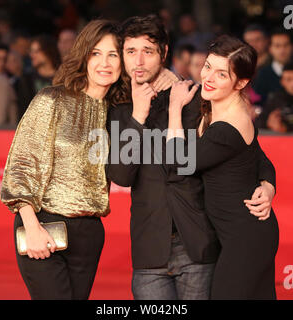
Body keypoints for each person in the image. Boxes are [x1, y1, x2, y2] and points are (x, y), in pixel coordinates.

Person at [106, 15, 276, 300]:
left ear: (164, 52)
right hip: (150, 250)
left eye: (147, 51)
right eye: (130, 51)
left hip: (198, 245)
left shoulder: (197, 97)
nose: (138, 61)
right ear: (122, 56)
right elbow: (121, 175)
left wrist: (267, 184)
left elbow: (251, 149)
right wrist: (138, 115)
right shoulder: (119, 110)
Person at [0, 19, 128, 300]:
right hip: (43, 225)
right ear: (83, 56)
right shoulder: (52, 99)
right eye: (96, 53)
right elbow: (21, 166)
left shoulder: (118, 114)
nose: (104, 63)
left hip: (90, 233)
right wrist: (30, 227)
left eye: (113, 55)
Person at [167, 35, 279, 299]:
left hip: (247, 238)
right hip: (244, 234)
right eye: (208, 66)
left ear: (240, 82)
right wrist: (268, 184)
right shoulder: (222, 108)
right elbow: (260, 157)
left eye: (221, 74)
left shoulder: (229, 126)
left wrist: (174, 108)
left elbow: (180, 162)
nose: (208, 77)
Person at [15, 35, 61, 121]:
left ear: (48, 51)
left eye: (36, 51)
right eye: (31, 51)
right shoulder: (26, 79)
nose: (32, 55)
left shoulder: (64, 78)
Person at [252, 29, 292, 105]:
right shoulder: (263, 74)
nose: (282, 50)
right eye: (277, 46)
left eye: (286, 45)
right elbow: (258, 103)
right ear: (270, 49)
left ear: (291, 47)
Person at [261, 62, 293, 133]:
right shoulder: (275, 99)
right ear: (282, 82)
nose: (292, 84)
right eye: (288, 79)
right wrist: (268, 123)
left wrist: (286, 129)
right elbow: (259, 122)